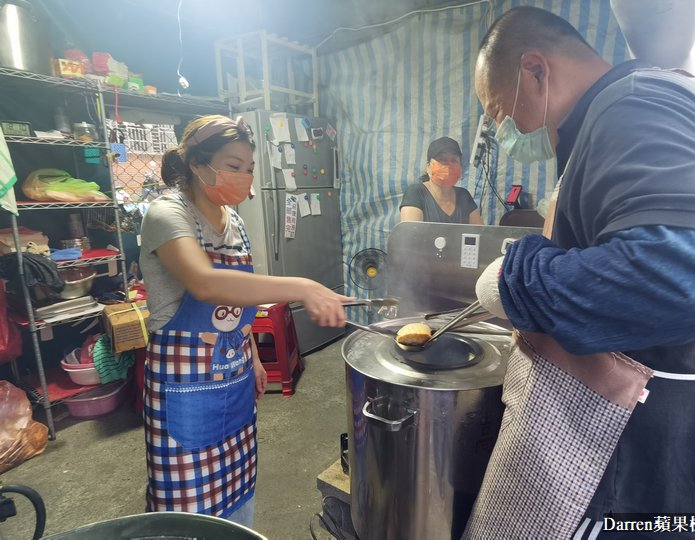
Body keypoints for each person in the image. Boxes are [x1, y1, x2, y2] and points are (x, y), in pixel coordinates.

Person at [468, 7, 695, 540]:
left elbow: (683, 275)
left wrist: (515, 281)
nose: (506, 131)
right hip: (653, 433)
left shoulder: (634, 105)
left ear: (535, 71)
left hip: (641, 450)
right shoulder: (609, 115)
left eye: (500, 113)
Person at [139, 114, 350, 527]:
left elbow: (237, 302)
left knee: (238, 505)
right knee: (186, 521)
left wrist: (252, 356)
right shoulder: (167, 214)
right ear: (197, 164)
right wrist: (302, 286)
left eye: (249, 168)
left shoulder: (233, 220)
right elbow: (206, 284)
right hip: (185, 392)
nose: (244, 177)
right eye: (233, 166)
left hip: (234, 384)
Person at [399, 137, 483, 224]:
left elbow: (479, 230)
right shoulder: (416, 193)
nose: (448, 166)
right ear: (428, 167)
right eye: (442, 160)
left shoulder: (463, 195)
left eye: (454, 160)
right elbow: (410, 231)